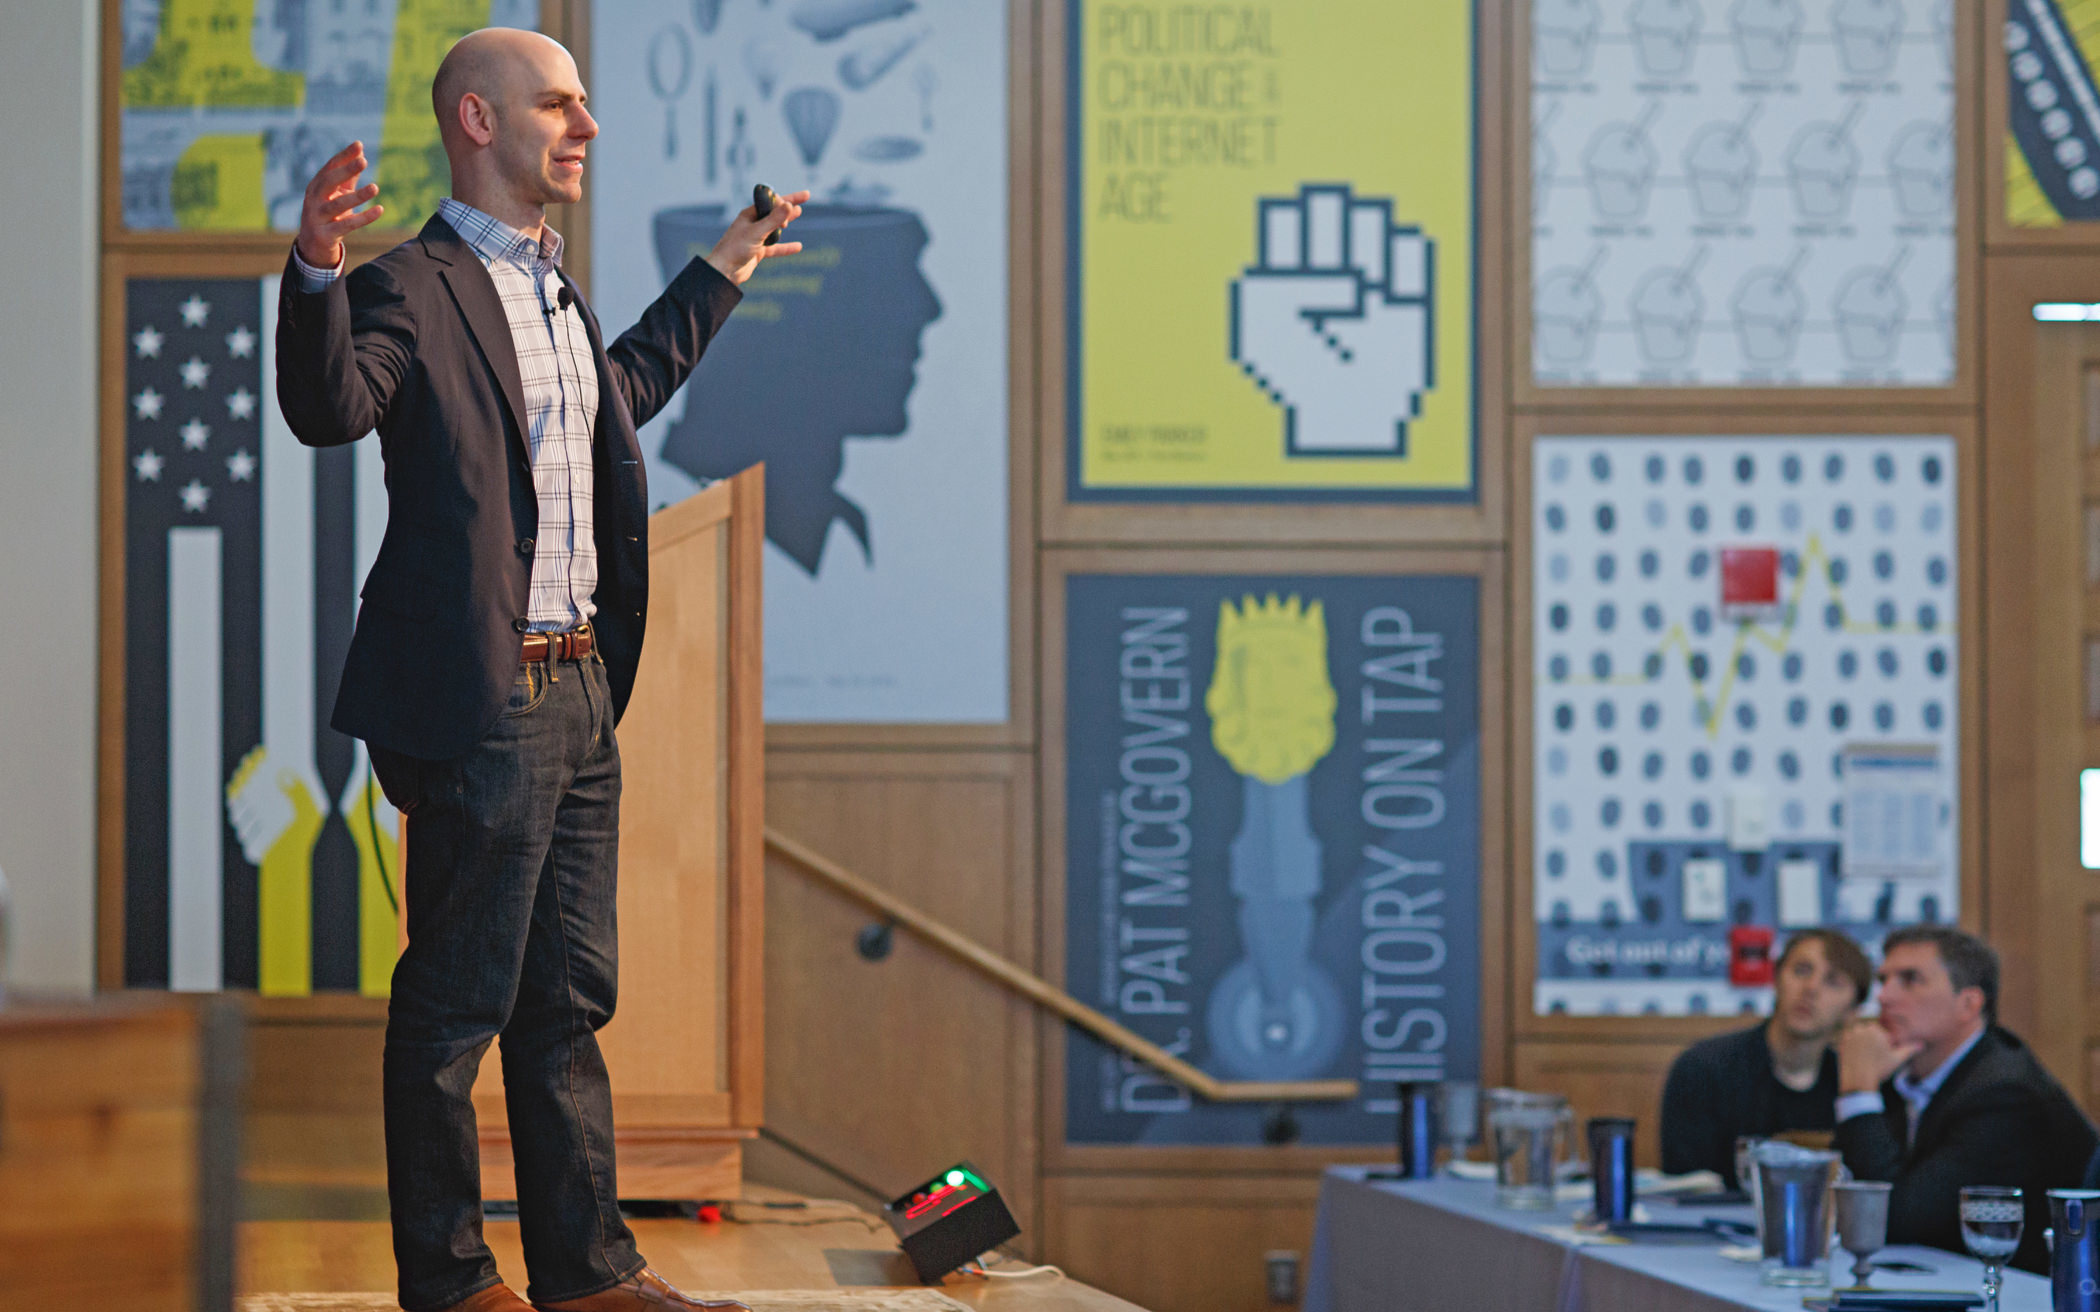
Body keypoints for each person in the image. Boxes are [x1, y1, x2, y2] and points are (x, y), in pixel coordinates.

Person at [273, 27, 804, 1312]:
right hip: (483, 699)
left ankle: (587, 1272)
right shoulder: (413, 283)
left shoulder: (557, 290)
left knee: (565, 1003)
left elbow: (618, 396)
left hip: (579, 694)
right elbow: (330, 405)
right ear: (477, 119)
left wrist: (717, 275)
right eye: (560, 104)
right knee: (455, 1012)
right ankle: (451, 1282)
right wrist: (314, 268)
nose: (587, 126)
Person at [1835, 926, 2097, 1274]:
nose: (1884, 997)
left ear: (1969, 1004)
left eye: (1910, 980)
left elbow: (1895, 1222)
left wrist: (1858, 1093)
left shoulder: (2004, 1094)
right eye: (1884, 980)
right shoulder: (1900, 1073)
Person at [1659, 928, 1873, 1185]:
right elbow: (1687, 1186)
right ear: (1776, 979)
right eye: (1801, 970)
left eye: (1833, 981)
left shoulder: (1854, 1085)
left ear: (1853, 1011)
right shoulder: (1703, 1069)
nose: (1811, 988)